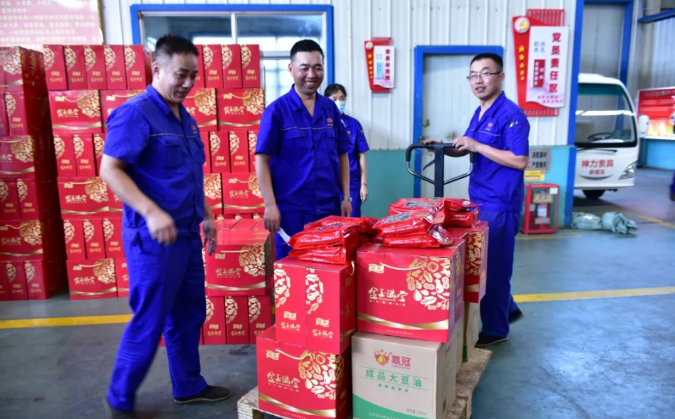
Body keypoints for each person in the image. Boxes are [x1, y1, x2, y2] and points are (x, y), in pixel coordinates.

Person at [100, 35, 229, 417]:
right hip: (153, 239)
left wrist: (207, 214)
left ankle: (188, 386)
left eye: (193, 76)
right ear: (157, 69)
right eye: (180, 74)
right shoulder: (135, 113)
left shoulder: (185, 119)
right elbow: (110, 169)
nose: (188, 83)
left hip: (186, 234)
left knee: (188, 315)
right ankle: (120, 398)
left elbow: (189, 176)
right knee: (150, 319)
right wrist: (150, 211)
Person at [424, 53, 530, 348]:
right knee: (483, 262)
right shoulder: (481, 111)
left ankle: (496, 330)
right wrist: (442, 148)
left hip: (500, 202)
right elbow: (467, 147)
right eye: (473, 75)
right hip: (481, 199)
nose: (478, 80)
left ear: (500, 77)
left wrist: (477, 145)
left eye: (485, 73)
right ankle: (508, 309)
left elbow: (519, 160)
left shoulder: (511, 114)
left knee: (495, 267)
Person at [255, 40, 353, 260]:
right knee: (292, 273)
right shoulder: (276, 111)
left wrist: (346, 196)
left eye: (317, 67)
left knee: (328, 270)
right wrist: (270, 205)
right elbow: (261, 160)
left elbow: (342, 154)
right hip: (291, 212)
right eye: (304, 68)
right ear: (291, 69)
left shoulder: (330, 109)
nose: (311, 74)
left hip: (328, 209)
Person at [324, 83, 370, 217]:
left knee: (352, 220)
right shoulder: (322, 123)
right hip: (329, 182)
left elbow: (361, 155)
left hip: (352, 182)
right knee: (331, 222)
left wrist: (363, 184)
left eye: (342, 98)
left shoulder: (354, 124)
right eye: (334, 99)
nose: (339, 102)